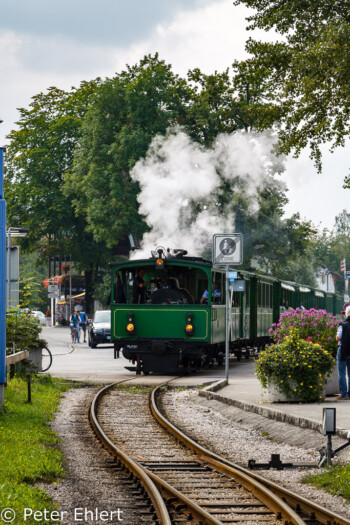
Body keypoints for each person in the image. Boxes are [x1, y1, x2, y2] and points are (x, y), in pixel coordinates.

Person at [335, 305, 350, 400]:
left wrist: (336, 335)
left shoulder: (343, 325)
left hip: (343, 350)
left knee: (341, 373)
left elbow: (338, 338)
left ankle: (344, 394)